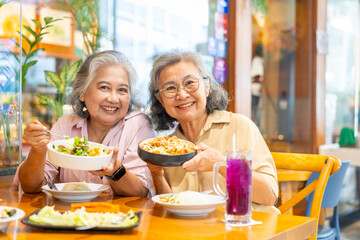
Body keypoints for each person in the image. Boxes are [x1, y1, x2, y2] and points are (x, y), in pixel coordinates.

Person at [148, 50, 278, 212]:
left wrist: (221, 164)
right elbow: (170, 207)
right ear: (160, 100)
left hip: (247, 230)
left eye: (190, 83)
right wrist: (157, 176)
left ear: (207, 87)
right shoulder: (166, 147)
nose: (181, 95)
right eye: (170, 88)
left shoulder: (239, 127)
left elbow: (269, 195)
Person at [14, 50, 154, 197]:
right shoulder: (65, 126)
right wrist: (38, 150)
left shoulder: (138, 124)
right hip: (70, 216)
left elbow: (141, 192)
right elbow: (30, 186)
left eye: (122, 90)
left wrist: (115, 172)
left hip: (121, 217)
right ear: (82, 93)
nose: (114, 99)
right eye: (104, 87)